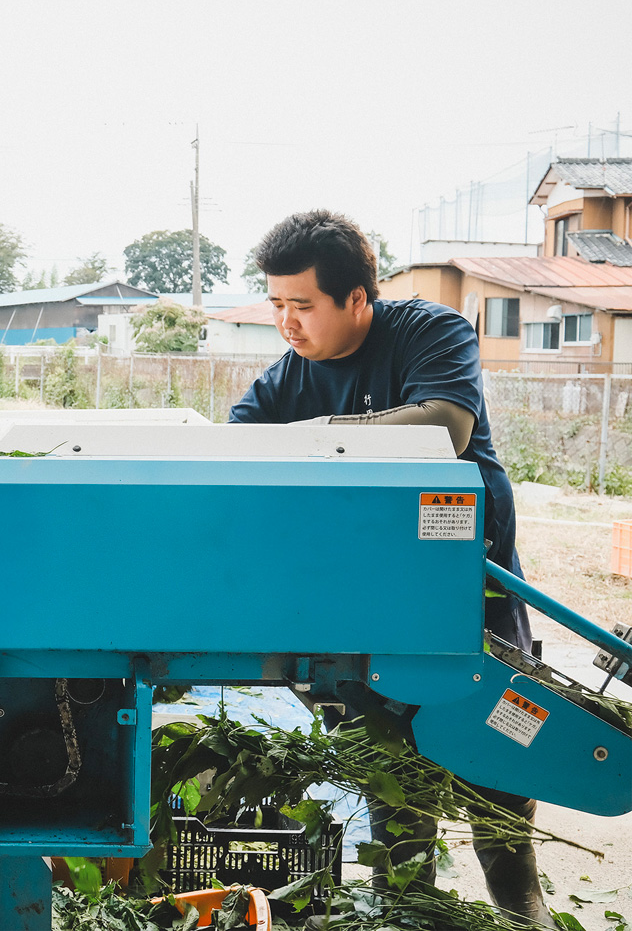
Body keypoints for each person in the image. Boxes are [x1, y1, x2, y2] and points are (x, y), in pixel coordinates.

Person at [229, 210, 552, 928]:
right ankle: (414, 912)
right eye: (277, 305)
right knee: (395, 800)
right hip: (367, 614)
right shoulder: (291, 370)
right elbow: (237, 449)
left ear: (357, 298)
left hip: (471, 599)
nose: (287, 323)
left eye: (302, 305)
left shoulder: (429, 331)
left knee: (499, 784)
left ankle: (525, 914)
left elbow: (445, 425)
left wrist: (312, 439)